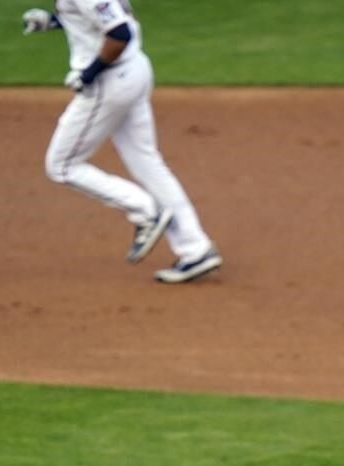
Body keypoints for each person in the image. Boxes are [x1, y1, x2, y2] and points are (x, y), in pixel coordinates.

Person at [21, 1, 222, 284]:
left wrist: (87, 74)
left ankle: (145, 210)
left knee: (61, 165)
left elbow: (119, 33)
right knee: (147, 162)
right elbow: (107, 18)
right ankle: (195, 248)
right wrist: (55, 21)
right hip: (134, 70)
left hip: (109, 81)